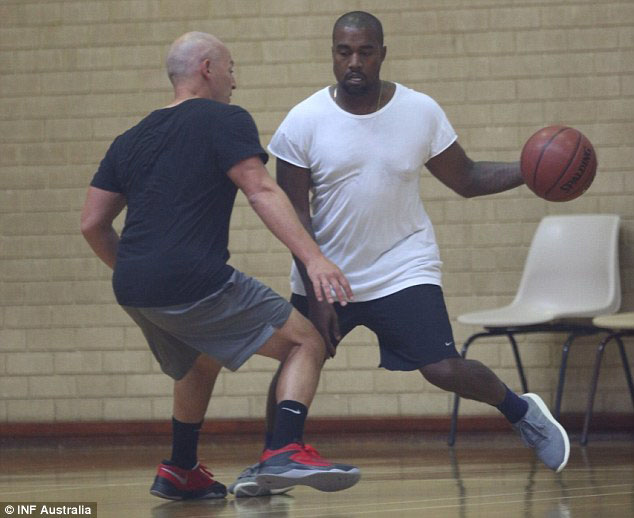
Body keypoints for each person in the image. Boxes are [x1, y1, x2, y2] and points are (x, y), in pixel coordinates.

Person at [229, 11, 570, 495]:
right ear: (332, 54)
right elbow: (295, 217)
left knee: (443, 370)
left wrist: (530, 171)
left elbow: (467, 179)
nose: (354, 62)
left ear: (382, 55)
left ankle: (522, 412)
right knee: (300, 356)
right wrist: (316, 288)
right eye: (343, 51)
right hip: (328, 271)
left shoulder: (419, 110)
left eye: (365, 52)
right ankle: (274, 459)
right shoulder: (302, 122)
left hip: (403, 265)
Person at [80, 31, 361, 501]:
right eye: (232, 69)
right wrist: (314, 259)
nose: (236, 81)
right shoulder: (224, 118)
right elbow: (260, 190)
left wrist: (137, 270)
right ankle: (285, 450)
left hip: (132, 286)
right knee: (305, 341)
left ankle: (180, 468)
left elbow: (92, 224)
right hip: (192, 278)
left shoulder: (129, 139)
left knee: (198, 359)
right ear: (208, 68)